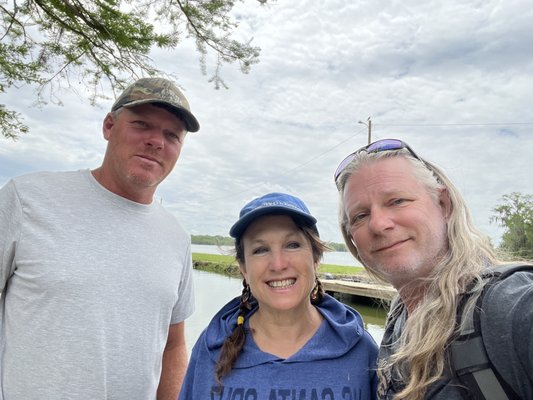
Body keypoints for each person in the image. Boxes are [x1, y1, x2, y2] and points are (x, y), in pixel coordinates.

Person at [0, 77, 200, 399]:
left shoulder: (177, 237)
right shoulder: (26, 199)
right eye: (142, 124)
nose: (156, 141)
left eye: (171, 135)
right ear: (109, 126)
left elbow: (174, 345)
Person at [334, 138, 533, 400]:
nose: (379, 224)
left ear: (443, 205)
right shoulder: (399, 317)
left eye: (397, 201)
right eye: (360, 216)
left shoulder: (510, 307)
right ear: (353, 240)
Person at [179, 192, 379, 399]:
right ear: (243, 269)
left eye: (292, 245)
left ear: (316, 257)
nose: (278, 264)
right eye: (260, 249)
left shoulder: (360, 350)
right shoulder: (212, 347)